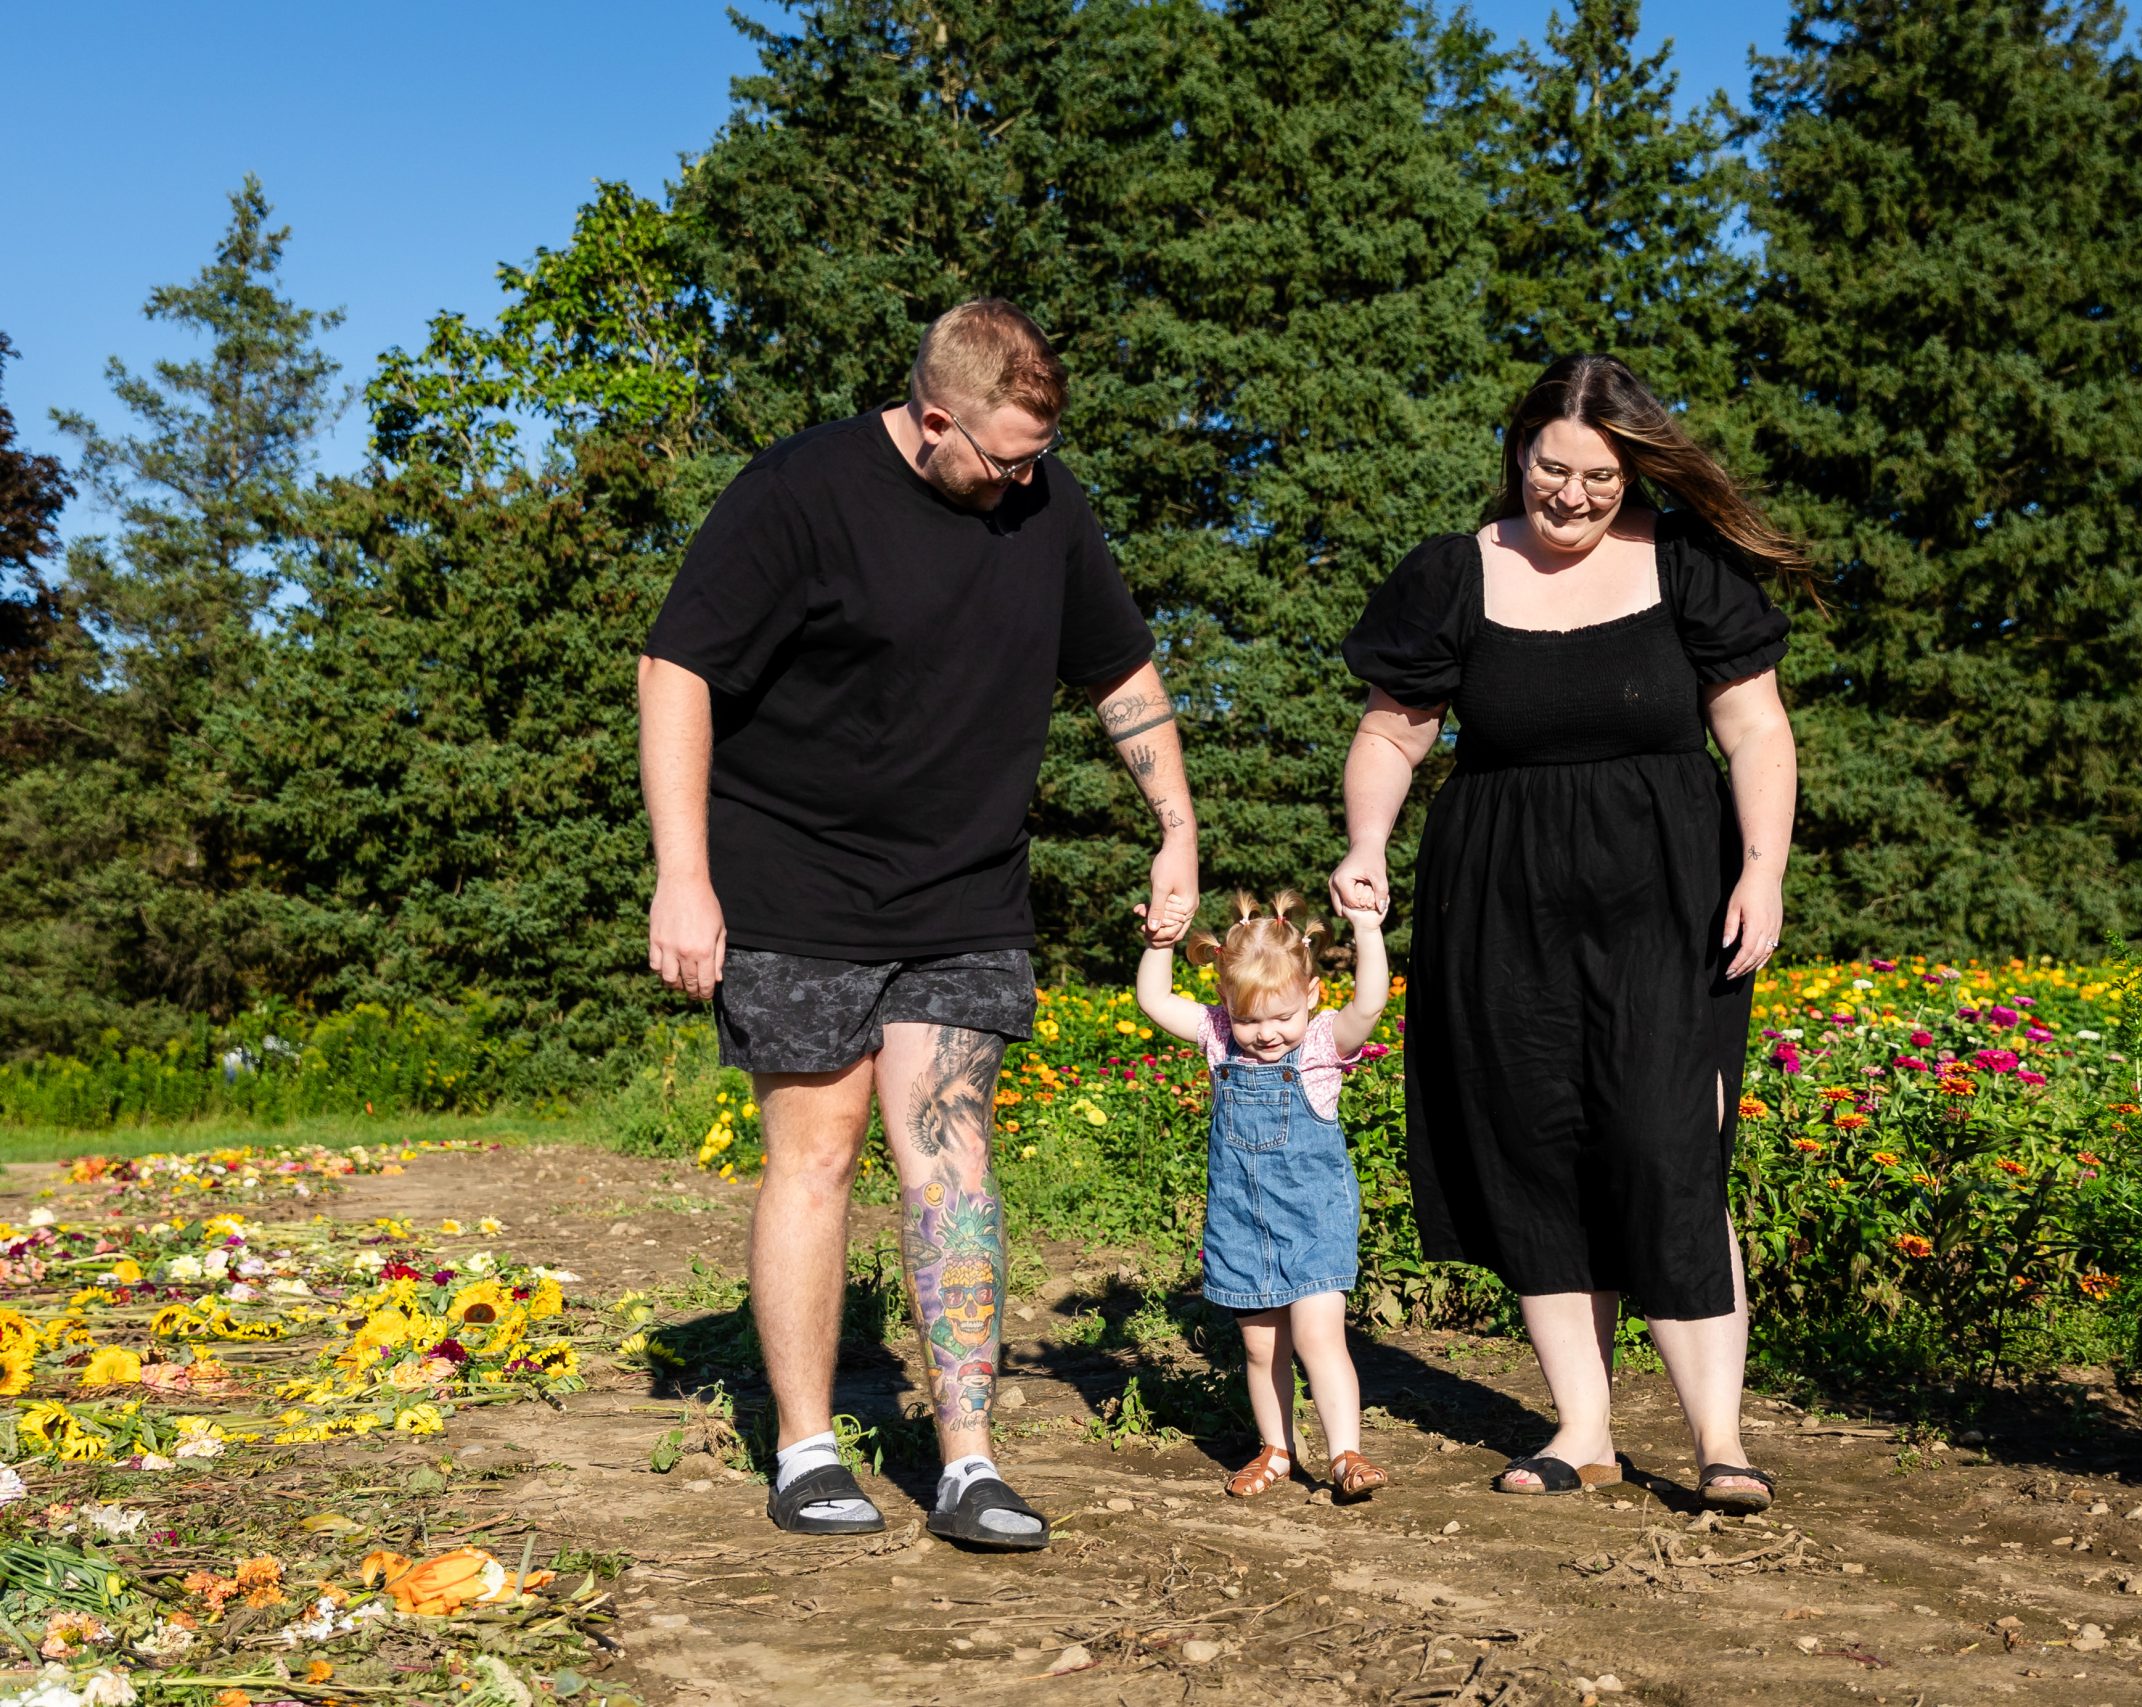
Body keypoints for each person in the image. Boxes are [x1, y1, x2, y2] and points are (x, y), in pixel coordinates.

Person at [638, 299, 1200, 1550]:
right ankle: (806, 1445)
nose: (1020, 481)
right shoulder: (796, 494)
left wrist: (1175, 826)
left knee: (951, 1161)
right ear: (934, 418)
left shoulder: (1046, 506)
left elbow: (1119, 672)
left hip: (963, 895)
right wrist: (686, 874)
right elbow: (678, 667)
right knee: (819, 1149)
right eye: (1000, 457)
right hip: (796, 887)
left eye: (1035, 458)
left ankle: (967, 1462)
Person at [1330, 354, 1809, 1514]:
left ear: (1632, 469)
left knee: (1665, 1146)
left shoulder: (1686, 565)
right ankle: (1583, 1430)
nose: (1574, 495)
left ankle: (1717, 1443)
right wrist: (1363, 846)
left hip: (1667, 892)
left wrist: (1763, 870)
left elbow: (1754, 730)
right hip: (1497, 895)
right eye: (1555, 468)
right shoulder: (1454, 575)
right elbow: (1393, 735)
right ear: (1519, 453)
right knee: (1531, 1144)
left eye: (1600, 475)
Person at [1132, 892, 1392, 1502]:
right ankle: (1276, 1449)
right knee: (1258, 1344)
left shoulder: (1325, 1046)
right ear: (1226, 1007)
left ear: (1310, 997)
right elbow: (1153, 1000)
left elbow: (1372, 1002)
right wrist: (1158, 945)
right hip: (1240, 1222)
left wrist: (1367, 929)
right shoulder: (1220, 1039)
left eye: (1280, 1018)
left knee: (1317, 1336)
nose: (1266, 1035)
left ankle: (1344, 1452)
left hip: (1312, 1220)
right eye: (1249, 1020)